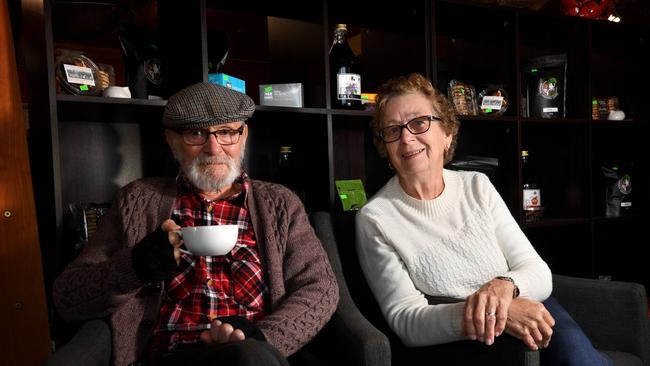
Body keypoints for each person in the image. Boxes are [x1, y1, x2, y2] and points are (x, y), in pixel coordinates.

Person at [51, 82, 339, 366]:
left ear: (244, 135)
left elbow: (320, 289)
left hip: (254, 353)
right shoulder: (137, 200)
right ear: (171, 139)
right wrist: (133, 268)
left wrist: (263, 336)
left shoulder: (280, 204)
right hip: (169, 355)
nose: (214, 148)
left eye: (227, 132)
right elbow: (67, 297)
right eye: (196, 133)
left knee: (248, 355)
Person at [355, 73, 611, 365]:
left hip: (526, 304)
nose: (406, 137)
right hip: (463, 336)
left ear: (447, 133)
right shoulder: (375, 219)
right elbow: (406, 320)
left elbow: (537, 271)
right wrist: (494, 312)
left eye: (418, 122)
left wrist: (504, 288)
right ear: (385, 148)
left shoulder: (477, 185)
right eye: (392, 130)